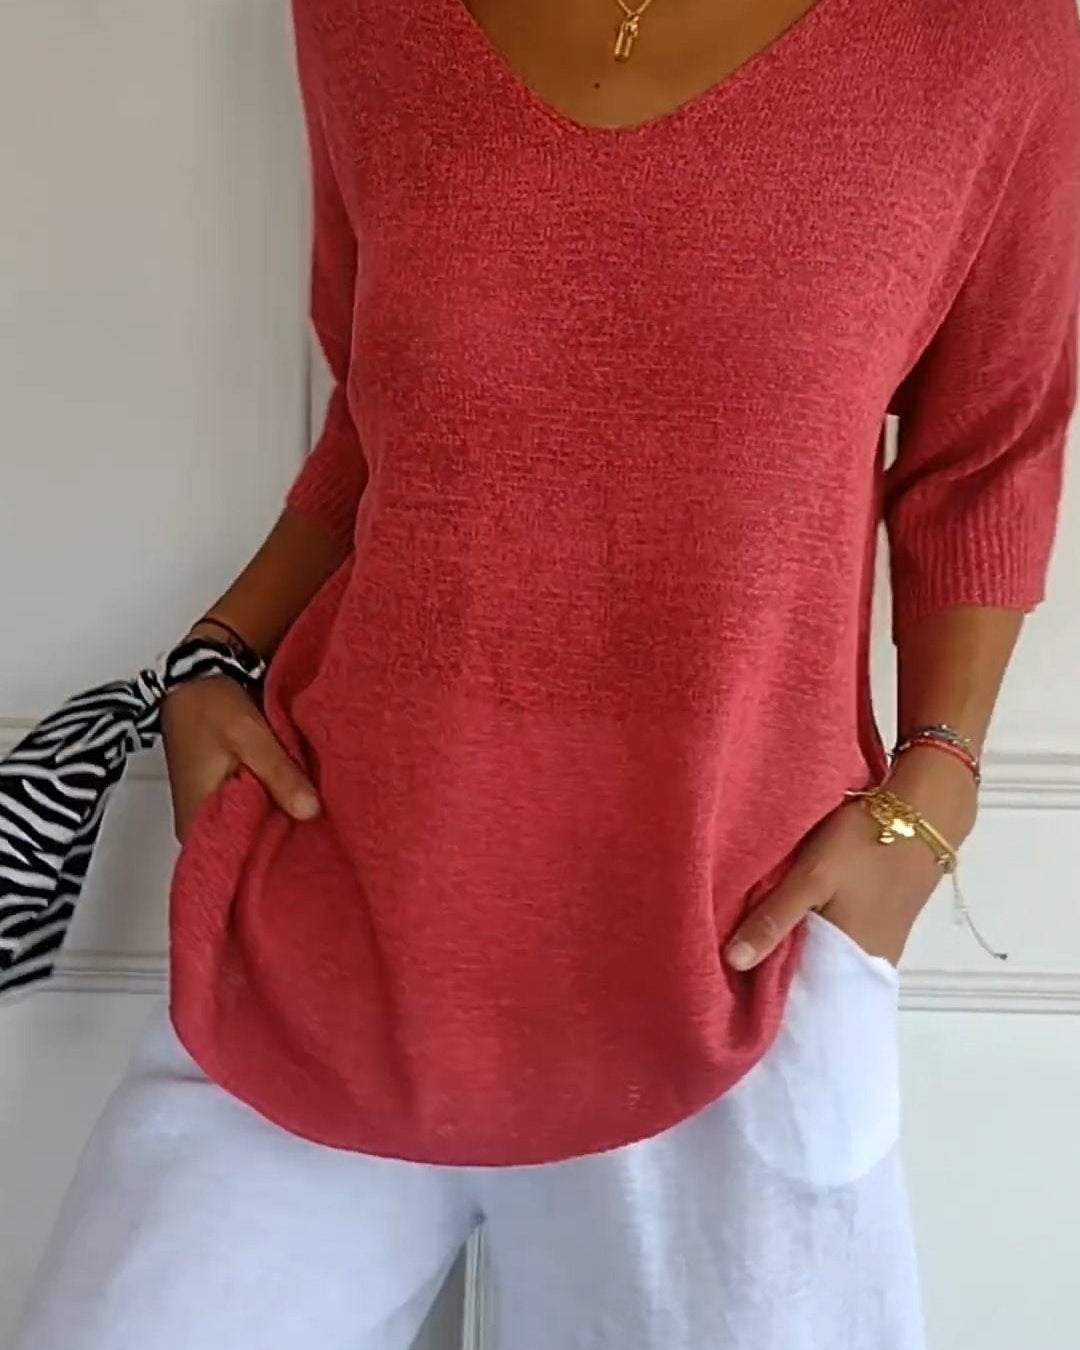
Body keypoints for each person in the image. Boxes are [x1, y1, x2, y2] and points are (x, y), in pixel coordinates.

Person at [11, 0, 1080, 1347]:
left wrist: (938, 786)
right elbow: (378, 418)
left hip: (731, 944)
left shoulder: (990, 33)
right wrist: (216, 653)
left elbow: (987, 450)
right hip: (333, 908)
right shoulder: (362, 18)